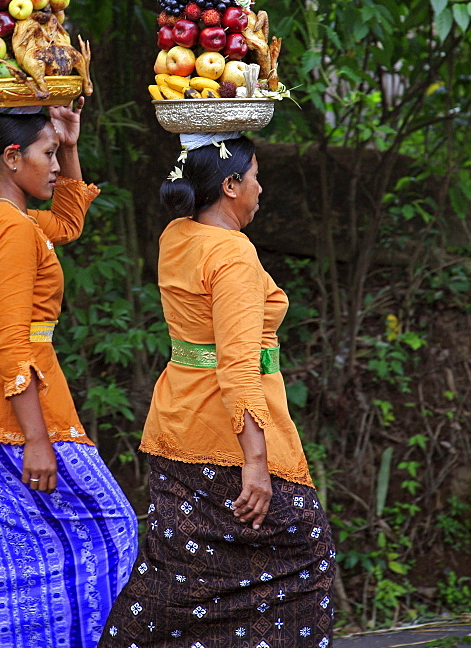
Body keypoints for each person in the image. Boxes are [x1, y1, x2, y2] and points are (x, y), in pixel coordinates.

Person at [99, 132, 335, 648]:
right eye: (254, 177)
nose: (260, 187)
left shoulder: (176, 235)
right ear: (230, 185)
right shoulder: (233, 256)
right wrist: (256, 459)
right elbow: (238, 365)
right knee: (304, 556)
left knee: (178, 578)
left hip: (176, 426)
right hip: (230, 442)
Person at [0, 102, 138, 648]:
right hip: (10, 408)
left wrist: (69, 144)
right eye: (47, 155)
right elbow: (12, 341)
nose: (54, 166)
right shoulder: (16, 230)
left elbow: (68, 222)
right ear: (10, 156)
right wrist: (36, 439)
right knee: (110, 529)